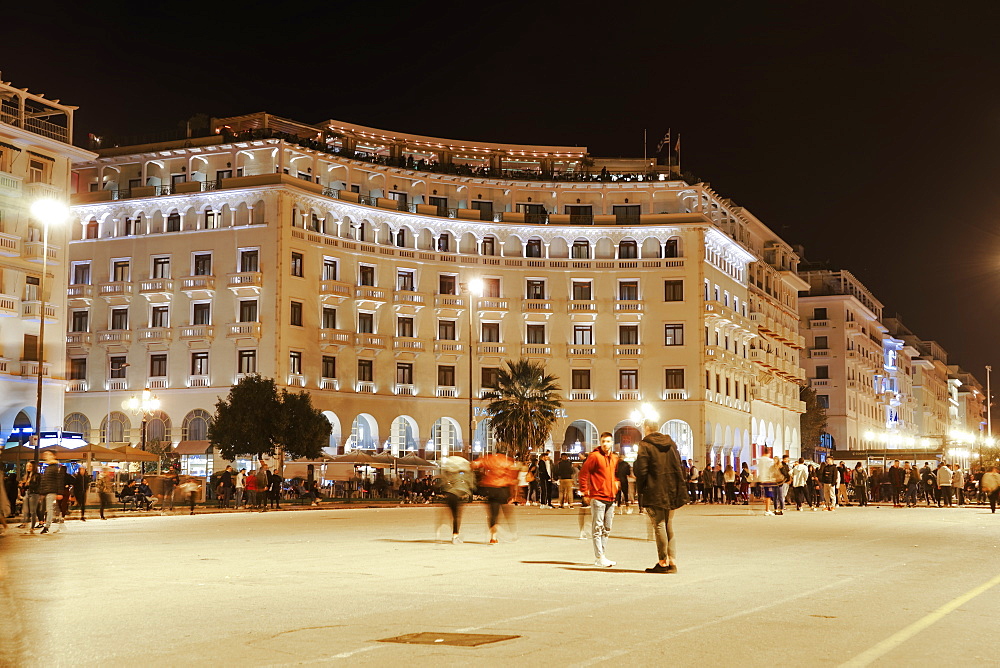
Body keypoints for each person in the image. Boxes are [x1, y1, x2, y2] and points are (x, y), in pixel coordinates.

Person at [633, 419, 687, 574]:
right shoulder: (671, 444)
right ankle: (673, 562)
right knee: (669, 524)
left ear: (647, 428)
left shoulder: (645, 445)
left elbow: (642, 470)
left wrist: (641, 489)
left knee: (659, 524)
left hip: (654, 488)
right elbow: (678, 466)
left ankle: (662, 562)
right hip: (671, 489)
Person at [578, 432, 620, 567]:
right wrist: (585, 491)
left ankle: (602, 555)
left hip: (610, 497)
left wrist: (615, 484)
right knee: (597, 527)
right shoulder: (594, 457)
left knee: (607, 528)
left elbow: (612, 475)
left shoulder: (614, 458)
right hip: (598, 497)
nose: (605, 444)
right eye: (603, 441)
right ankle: (599, 556)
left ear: (612, 442)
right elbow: (583, 474)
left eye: (608, 441)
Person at [471, 450, 518, 544]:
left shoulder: (489, 459)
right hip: (503, 489)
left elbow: (474, 464)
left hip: (491, 488)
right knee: (507, 512)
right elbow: (513, 477)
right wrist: (513, 494)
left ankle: (493, 536)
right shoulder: (508, 461)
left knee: (493, 513)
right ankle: (512, 533)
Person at [438, 455, 474, 544]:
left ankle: (441, 529)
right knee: (456, 516)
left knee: (451, 514)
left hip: (449, 494)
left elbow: (443, 483)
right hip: (456, 495)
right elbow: (470, 484)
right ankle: (455, 536)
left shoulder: (449, 475)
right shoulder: (462, 475)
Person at [38, 450, 66, 534]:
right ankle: (60, 524)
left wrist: (60, 492)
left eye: (48, 454)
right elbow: (44, 481)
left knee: (49, 509)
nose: (46, 456)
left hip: (52, 491)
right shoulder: (48, 467)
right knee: (54, 509)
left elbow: (59, 480)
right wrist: (42, 492)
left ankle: (47, 526)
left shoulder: (55, 467)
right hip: (48, 491)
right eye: (45, 454)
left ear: (53, 456)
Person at [18, 461, 41, 532]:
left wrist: (28, 484)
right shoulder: (26, 475)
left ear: (34, 467)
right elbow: (26, 487)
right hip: (27, 493)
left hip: (34, 494)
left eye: (30, 466)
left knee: (32, 511)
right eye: (27, 466)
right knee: (25, 510)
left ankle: (32, 527)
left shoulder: (37, 475)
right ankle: (25, 523)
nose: (28, 468)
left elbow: (37, 486)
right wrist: (22, 486)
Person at [756, 447, 778, 516]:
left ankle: (767, 509)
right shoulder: (769, 461)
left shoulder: (760, 460)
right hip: (768, 479)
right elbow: (773, 469)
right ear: (769, 452)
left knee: (767, 494)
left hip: (762, 479)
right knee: (769, 495)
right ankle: (767, 510)